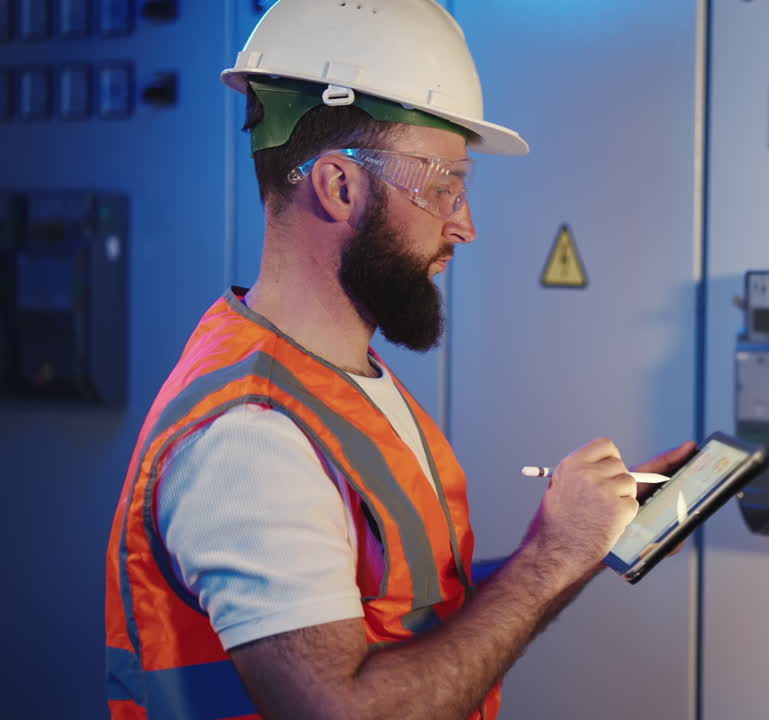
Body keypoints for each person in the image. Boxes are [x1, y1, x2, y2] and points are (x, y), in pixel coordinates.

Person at [103, 2, 695, 718]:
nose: (465, 223)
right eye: (443, 183)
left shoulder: (337, 385)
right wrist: (546, 562)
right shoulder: (250, 437)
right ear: (339, 186)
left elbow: (411, 616)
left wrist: (579, 542)